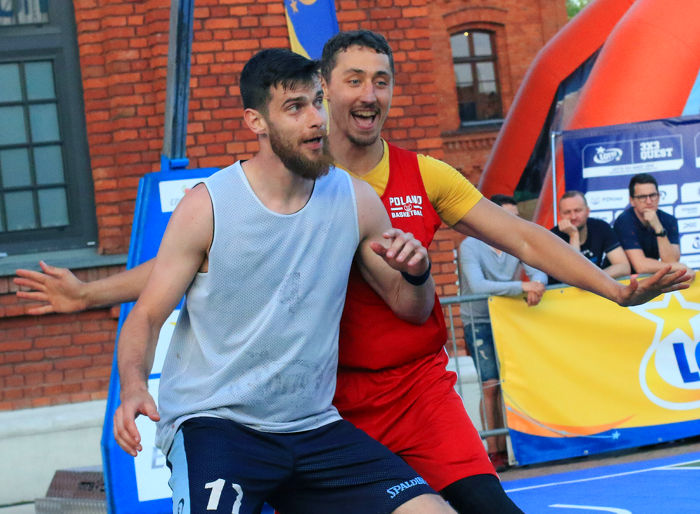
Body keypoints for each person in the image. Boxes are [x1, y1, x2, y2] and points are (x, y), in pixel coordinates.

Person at [15, 31, 692, 514]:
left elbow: (508, 241)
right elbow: (180, 274)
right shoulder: (251, 193)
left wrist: (612, 288)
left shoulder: (387, 188)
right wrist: (92, 296)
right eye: (349, 83)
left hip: (393, 397)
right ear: (324, 93)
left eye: (382, 81)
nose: (367, 95)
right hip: (311, 402)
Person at [113, 48, 455, 514]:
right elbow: (148, 316)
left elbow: (411, 309)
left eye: (317, 102)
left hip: (313, 427)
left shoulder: (355, 199)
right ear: (256, 121)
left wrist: (418, 273)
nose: (316, 119)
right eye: (295, 107)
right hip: (217, 424)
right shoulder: (208, 206)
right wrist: (134, 386)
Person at [459, 195, 547, 471]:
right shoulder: (470, 245)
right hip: (479, 321)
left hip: (509, 318)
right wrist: (523, 287)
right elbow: (478, 285)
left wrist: (537, 284)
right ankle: (493, 451)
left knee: (514, 381)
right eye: (509, 216)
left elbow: (540, 270)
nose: (514, 222)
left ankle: (525, 445)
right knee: (490, 384)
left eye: (517, 216)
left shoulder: (515, 242)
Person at [613, 173, 694, 278]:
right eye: (642, 197)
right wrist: (680, 267)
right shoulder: (624, 221)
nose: (649, 201)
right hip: (622, 281)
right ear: (632, 201)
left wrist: (658, 227)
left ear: (659, 196)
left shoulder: (669, 220)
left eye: (652, 195)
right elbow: (641, 266)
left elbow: (671, 261)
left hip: (649, 278)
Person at [549, 190, 630, 284]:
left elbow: (624, 267)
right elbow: (575, 276)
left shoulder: (600, 227)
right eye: (567, 212)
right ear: (560, 214)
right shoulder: (552, 237)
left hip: (595, 288)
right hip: (563, 291)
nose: (573, 216)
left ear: (587, 211)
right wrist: (573, 235)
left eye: (577, 210)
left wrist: (593, 278)